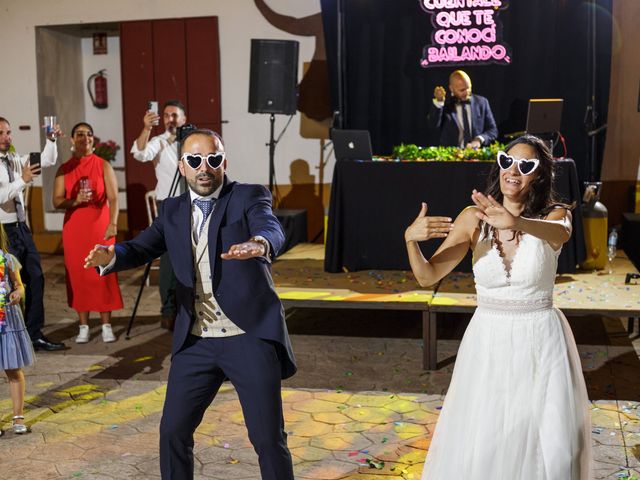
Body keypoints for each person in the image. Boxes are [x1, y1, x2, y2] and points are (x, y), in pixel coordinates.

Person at [85, 129, 296, 480]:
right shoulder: (172, 210)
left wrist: (259, 243)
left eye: (213, 160)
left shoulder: (248, 196)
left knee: (267, 439)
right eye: (195, 160)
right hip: (196, 341)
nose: (205, 167)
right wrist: (112, 254)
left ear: (223, 163)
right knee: (172, 433)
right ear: (182, 167)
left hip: (247, 336)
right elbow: (140, 247)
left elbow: (269, 225)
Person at [405, 135, 591, 479]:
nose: (514, 171)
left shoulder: (555, 215)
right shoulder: (473, 219)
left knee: (553, 446)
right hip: (489, 342)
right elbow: (428, 276)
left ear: (539, 175)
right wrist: (410, 241)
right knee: (488, 442)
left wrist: (516, 223)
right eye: (508, 161)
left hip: (541, 342)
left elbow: (561, 233)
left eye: (526, 165)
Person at [52, 122, 123, 343]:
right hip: (75, 228)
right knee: (79, 275)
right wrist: (75, 201)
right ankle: (83, 325)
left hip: (100, 225)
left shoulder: (103, 165)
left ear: (94, 139)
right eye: (80, 134)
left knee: (103, 273)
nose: (85, 138)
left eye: (89, 134)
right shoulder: (65, 168)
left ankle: (106, 325)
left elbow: (113, 198)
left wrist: (113, 223)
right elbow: (56, 201)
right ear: (72, 139)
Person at [0, 116, 65, 352]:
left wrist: (51, 139)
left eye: (8, 132)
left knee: (35, 277)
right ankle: (8, 339)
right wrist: (22, 180)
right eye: (2, 133)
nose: (7, 137)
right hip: (3, 232)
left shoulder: (13, 160)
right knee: (6, 285)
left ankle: (34, 334)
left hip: (22, 228)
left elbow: (48, 159)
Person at [131, 100, 188, 331]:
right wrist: (146, 128)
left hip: (192, 204)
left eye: (175, 115)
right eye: (166, 116)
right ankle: (168, 310)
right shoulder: (159, 141)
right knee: (168, 259)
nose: (170, 119)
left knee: (192, 257)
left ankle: (190, 308)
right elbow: (140, 154)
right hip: (169, 205)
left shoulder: (193, 142)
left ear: (184, 118)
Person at [0, 223, 33, 436]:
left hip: (7, 321)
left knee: (13, 369)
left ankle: (18, 416)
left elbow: (19, 285)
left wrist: (17, 293)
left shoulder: (6, 259)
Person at [427, 70, 498, 149]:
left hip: (475, 154)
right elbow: (433, 126)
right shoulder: (446, 104)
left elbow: (493, 130)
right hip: (451, 156)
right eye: (462, 90)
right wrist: (439, 103)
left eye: (468, 88)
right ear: (452, 88)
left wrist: (479, 139)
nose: (466, 92)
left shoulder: (481, 102)